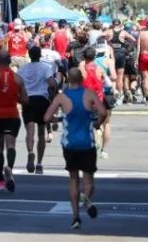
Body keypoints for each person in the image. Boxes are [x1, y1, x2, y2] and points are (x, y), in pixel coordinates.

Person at [44, 67, 107, 230]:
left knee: (73, 179)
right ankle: (85, 197)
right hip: (87, 143)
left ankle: (75, 217)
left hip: (69, 144)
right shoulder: (89, 94)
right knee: (89, 180)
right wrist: (97, 123)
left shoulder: (62, 97)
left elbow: (47, 117)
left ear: (68, 80)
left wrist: (60, 119)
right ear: (81, 79)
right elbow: (103, 111)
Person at [0, 53, 28, 192]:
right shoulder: (18, 78)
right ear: (10, 62)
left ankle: (0, 178)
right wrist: (15, 97)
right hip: (12, 114)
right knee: (11, 145)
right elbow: (25, 100)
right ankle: (9, 167)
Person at [19, 46, 58, 175]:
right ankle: (39, 164)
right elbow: (51, 84)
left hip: (28, 100)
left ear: (29, 56)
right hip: (42, 99)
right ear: (40, 55)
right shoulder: (45, 68)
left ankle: (30, 152)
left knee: (30, 131)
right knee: (41, 133)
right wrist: (53, 93)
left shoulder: (23, 68)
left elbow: (17, 83)